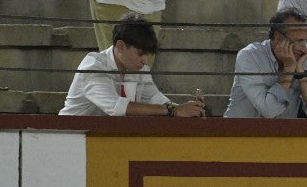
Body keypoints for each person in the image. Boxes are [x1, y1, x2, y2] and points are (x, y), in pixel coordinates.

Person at [59, 13, 206, 119]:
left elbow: (154, 98)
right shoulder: (93, 66)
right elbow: (117, 108)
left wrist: (187, 111)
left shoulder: (139, 68)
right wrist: (174, 110)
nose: (145, 61)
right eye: (140, 54)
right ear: (121, 46)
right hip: (70, 139)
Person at [225, 9, 307, 118]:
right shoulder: (249, 56)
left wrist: (302, 75)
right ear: (279, 38)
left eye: (306, 40)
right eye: (299, 41)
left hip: (283, 132)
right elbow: (269, 111)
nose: (304, 47)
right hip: (241, 132)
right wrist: (288, 69)